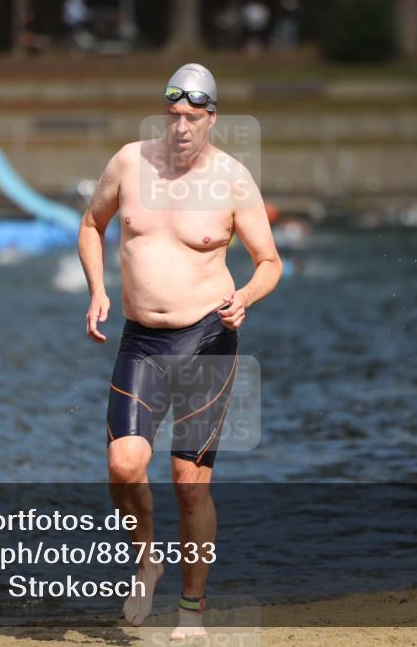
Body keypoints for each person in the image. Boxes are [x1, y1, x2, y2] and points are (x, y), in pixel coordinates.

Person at [77, 63, 282, 639]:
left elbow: (270, 262)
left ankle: (193, 607)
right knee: (124, 464)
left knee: (189, 480)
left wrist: (244, 297)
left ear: (212, 118)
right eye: (174, 116)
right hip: (141, 339)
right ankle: (147, 559)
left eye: (194, 117)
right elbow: (91, 225)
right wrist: (98, 289)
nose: (182, 127)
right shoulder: (129, 162)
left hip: (207, 338)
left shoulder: (234, 180)